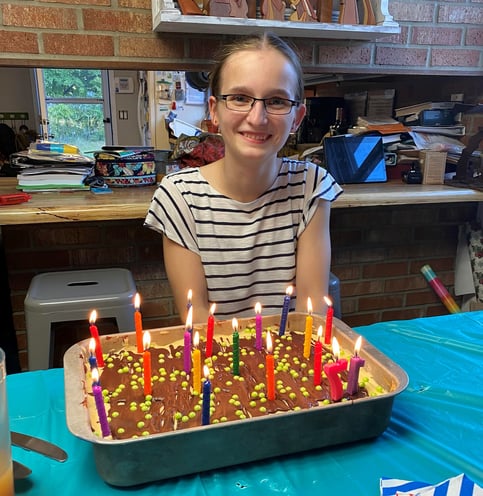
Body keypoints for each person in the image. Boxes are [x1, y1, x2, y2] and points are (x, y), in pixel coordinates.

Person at [145, 32, 343, 324]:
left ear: (297, 117)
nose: (257, 117)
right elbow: (197, 321)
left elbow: (309, 316)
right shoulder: (178, 197)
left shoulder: (311, 187)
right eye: (239, 98)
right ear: (214, 110)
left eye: (276, 101)